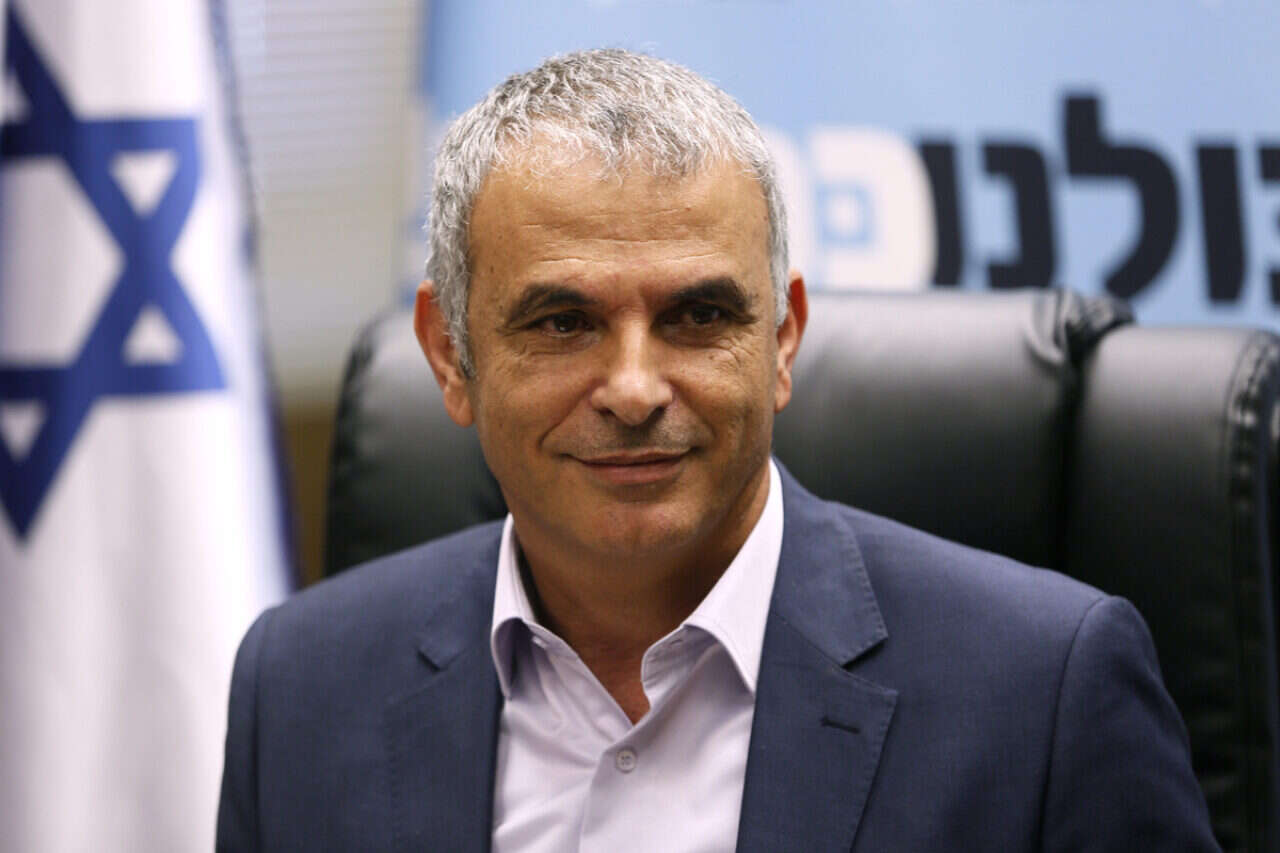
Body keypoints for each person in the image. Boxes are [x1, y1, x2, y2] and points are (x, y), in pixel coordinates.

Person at [216, 50, 1219, 851]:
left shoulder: (1045, 692)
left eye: (697, 316)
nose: (634, 388)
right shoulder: (300, 683)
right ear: (449, 354)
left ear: (781, 340)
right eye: (562, 322)